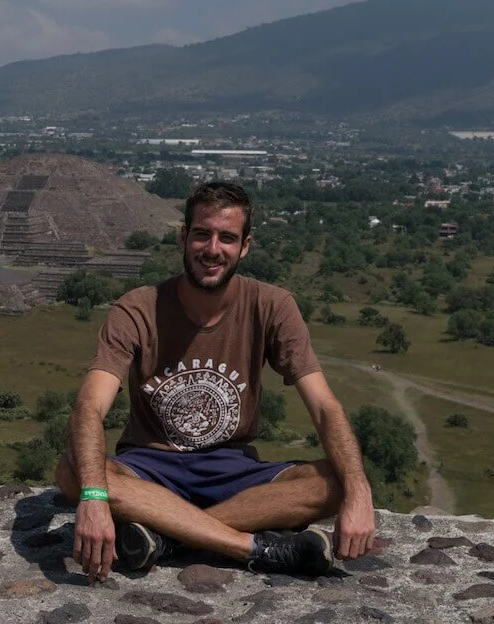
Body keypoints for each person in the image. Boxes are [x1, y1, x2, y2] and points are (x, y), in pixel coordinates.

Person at [55, 182, 375, 582]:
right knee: (73, 472)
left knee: (338, 480)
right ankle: (251, 547)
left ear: (244, 246)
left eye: (227, 237)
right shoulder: (137, 309)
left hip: (232, 468)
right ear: (183, 237)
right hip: (150, 467)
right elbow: (89, 406)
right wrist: (96, 497)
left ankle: (170, 537)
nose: (212, 249)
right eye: (202, 233)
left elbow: (325, 407)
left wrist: (360, 492)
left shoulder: (272, 306)